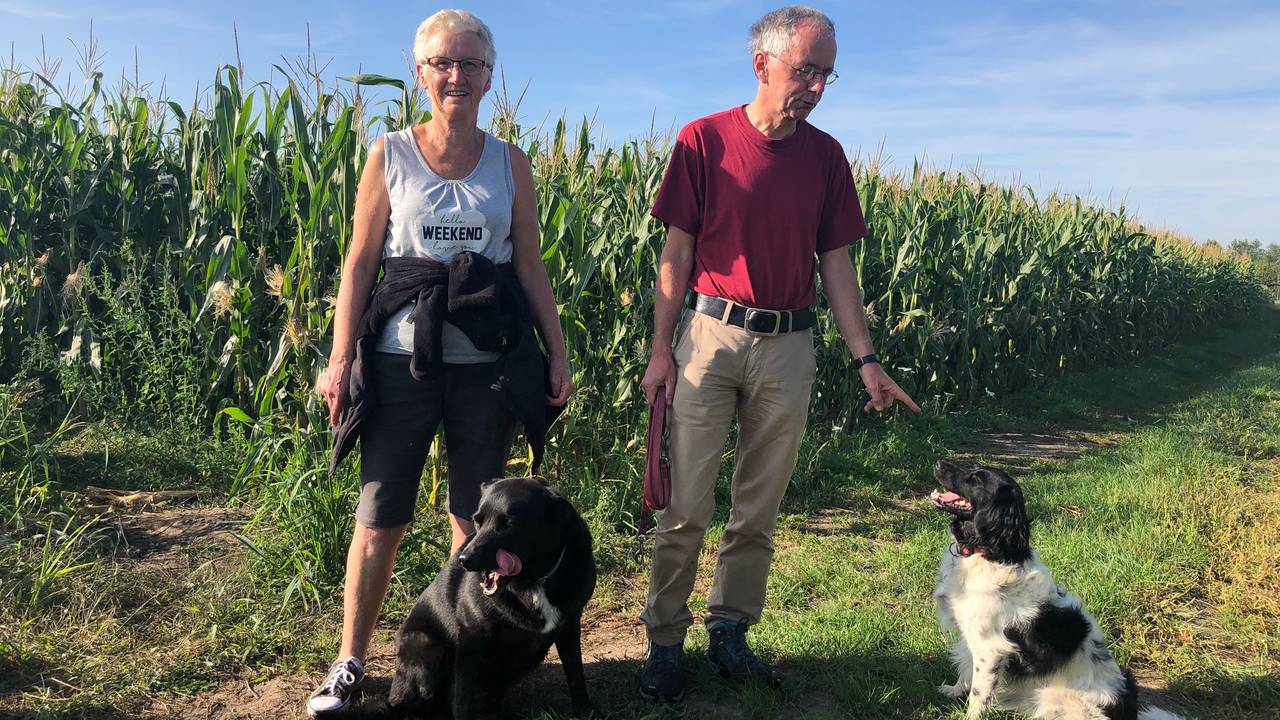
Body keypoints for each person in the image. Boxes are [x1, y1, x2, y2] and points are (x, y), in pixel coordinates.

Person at [637, 5, 920, 703]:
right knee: (684, 506)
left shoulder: (825, 157)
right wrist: (660, 352)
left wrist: (866, 359)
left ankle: (730, 630)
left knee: (757, 508)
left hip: (790, 344)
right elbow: (675, 255)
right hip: (708, 338)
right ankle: (664, 641)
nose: (818, 87)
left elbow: (838, 264)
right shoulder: (702, 141)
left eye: (827, 74)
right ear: (762, 64)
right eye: (806, 71)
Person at [307, 9, 574, 716]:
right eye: (443, 63)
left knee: (475, 519)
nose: (457, 76)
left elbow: (529, 263)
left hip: (485, 363)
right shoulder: (388, 154)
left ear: (490, 76)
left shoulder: (509, 162)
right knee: (380, 514)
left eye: (471, 64)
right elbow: (360, 263)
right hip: (402, 363)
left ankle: (477, 655)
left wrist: (558, 351)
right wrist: (339, 362)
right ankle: (350, 662)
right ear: (421, 71)